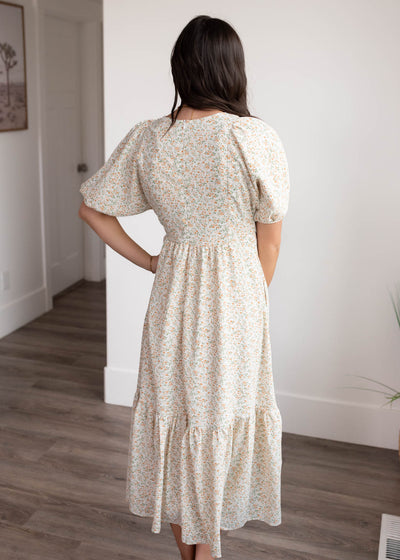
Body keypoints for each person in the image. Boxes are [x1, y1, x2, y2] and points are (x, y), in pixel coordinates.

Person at [78, 14, 290, 560]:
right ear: (232, 70)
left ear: (181, 68)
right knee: (219, 421)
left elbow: (92, 209)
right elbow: (270, 242)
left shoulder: (151, 138)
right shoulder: (254, 138)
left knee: (179, 422)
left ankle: (194, 552)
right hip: (239, 301)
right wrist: (251, 300)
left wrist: (153, 260)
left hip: (174, 297)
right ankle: (209, 550)